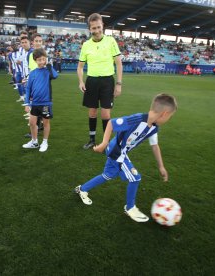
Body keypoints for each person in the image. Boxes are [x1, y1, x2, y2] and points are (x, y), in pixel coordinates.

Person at [74, 93, 177, 223]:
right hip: (116, 150)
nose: (169, 119)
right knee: (135, 178)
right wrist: (104, 143)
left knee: (108, 175)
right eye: (170, 117)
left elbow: (155, 146)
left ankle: (82, 189)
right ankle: (130, 208)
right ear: (165, 114)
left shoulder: (154, 128)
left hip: (121, 151)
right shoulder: (137, 119)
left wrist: (161, 166)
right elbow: (111, 123)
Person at [77, 13, 123, 150]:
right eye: (93, 28)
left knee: (105, 113)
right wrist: (81, 81)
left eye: (98, 27)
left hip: (107, 81)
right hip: (91, 81)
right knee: (92, 112)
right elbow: (80, 67)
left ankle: (106, 143)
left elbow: (119, 64)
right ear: (89, 29)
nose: (96, 31)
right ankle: (92, 140)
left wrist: (119, 84)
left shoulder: (111, 41)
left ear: (102, 25)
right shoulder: (85, 45)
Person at [22, 48, 58, 152]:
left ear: (46, 59)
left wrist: (49, 65)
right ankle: (34, 142)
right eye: (39, 60)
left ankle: (45, 142)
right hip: (35, 103)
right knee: (32, 123)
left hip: (46, 103)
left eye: (43, 59)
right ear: (35, 60)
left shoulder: (48, 71)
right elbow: (28, 88)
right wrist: (27, 103)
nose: (42, 61)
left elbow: (55, 76)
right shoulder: (32, 73)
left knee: (46, 123)